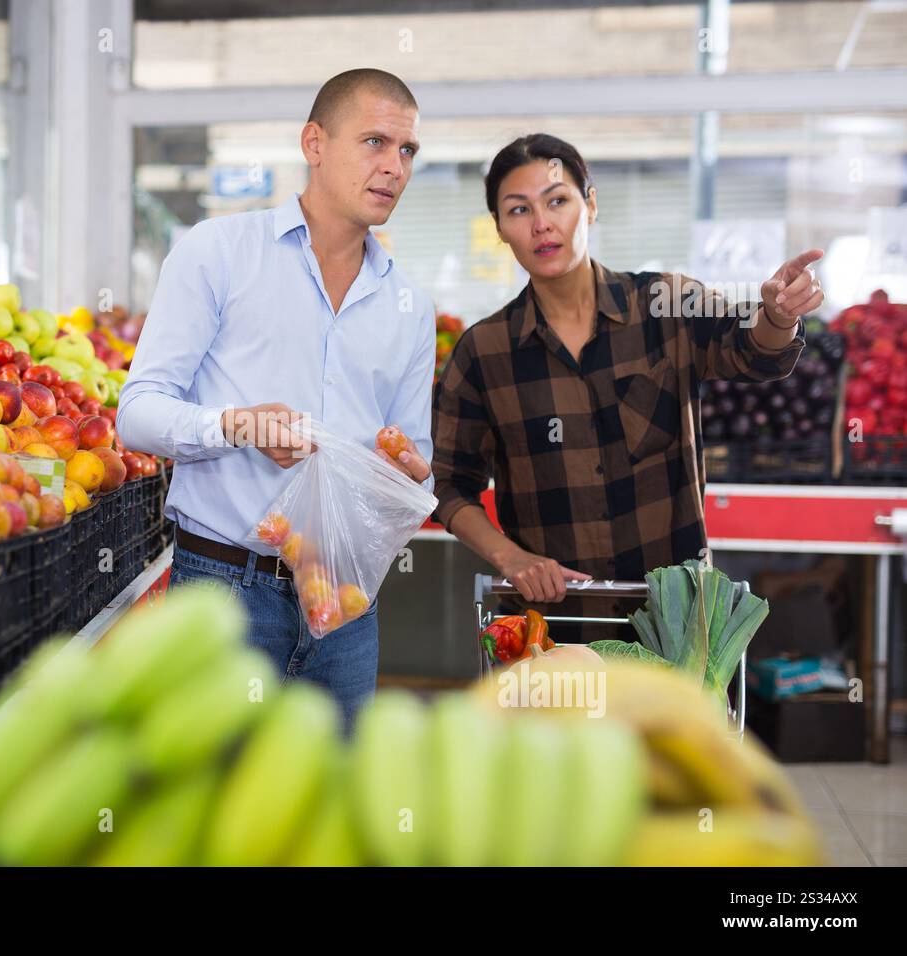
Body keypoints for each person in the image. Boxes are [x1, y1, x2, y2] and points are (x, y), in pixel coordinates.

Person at [117, 69, 436, 732]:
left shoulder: (410, 306)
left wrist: (406, 476)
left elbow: (414, 462)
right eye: (375, 142)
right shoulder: (218, 252)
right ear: (314, 143)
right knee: (213, 784)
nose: (394, 167)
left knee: (336, 787)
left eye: (407, 150)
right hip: (224, 594)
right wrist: (236, 426)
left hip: (346, 605)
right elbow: (138, 414)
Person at [432, 133, 821, 644]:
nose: (541, 224)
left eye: (557, 201)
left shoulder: (665, 304)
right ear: (500, 228)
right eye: (519, 210)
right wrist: (511, 558)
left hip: (674, 628)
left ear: (590, 205)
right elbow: (447, 484)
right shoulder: (484, 352)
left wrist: (778, 315)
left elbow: (751, 350)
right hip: (554, 632)